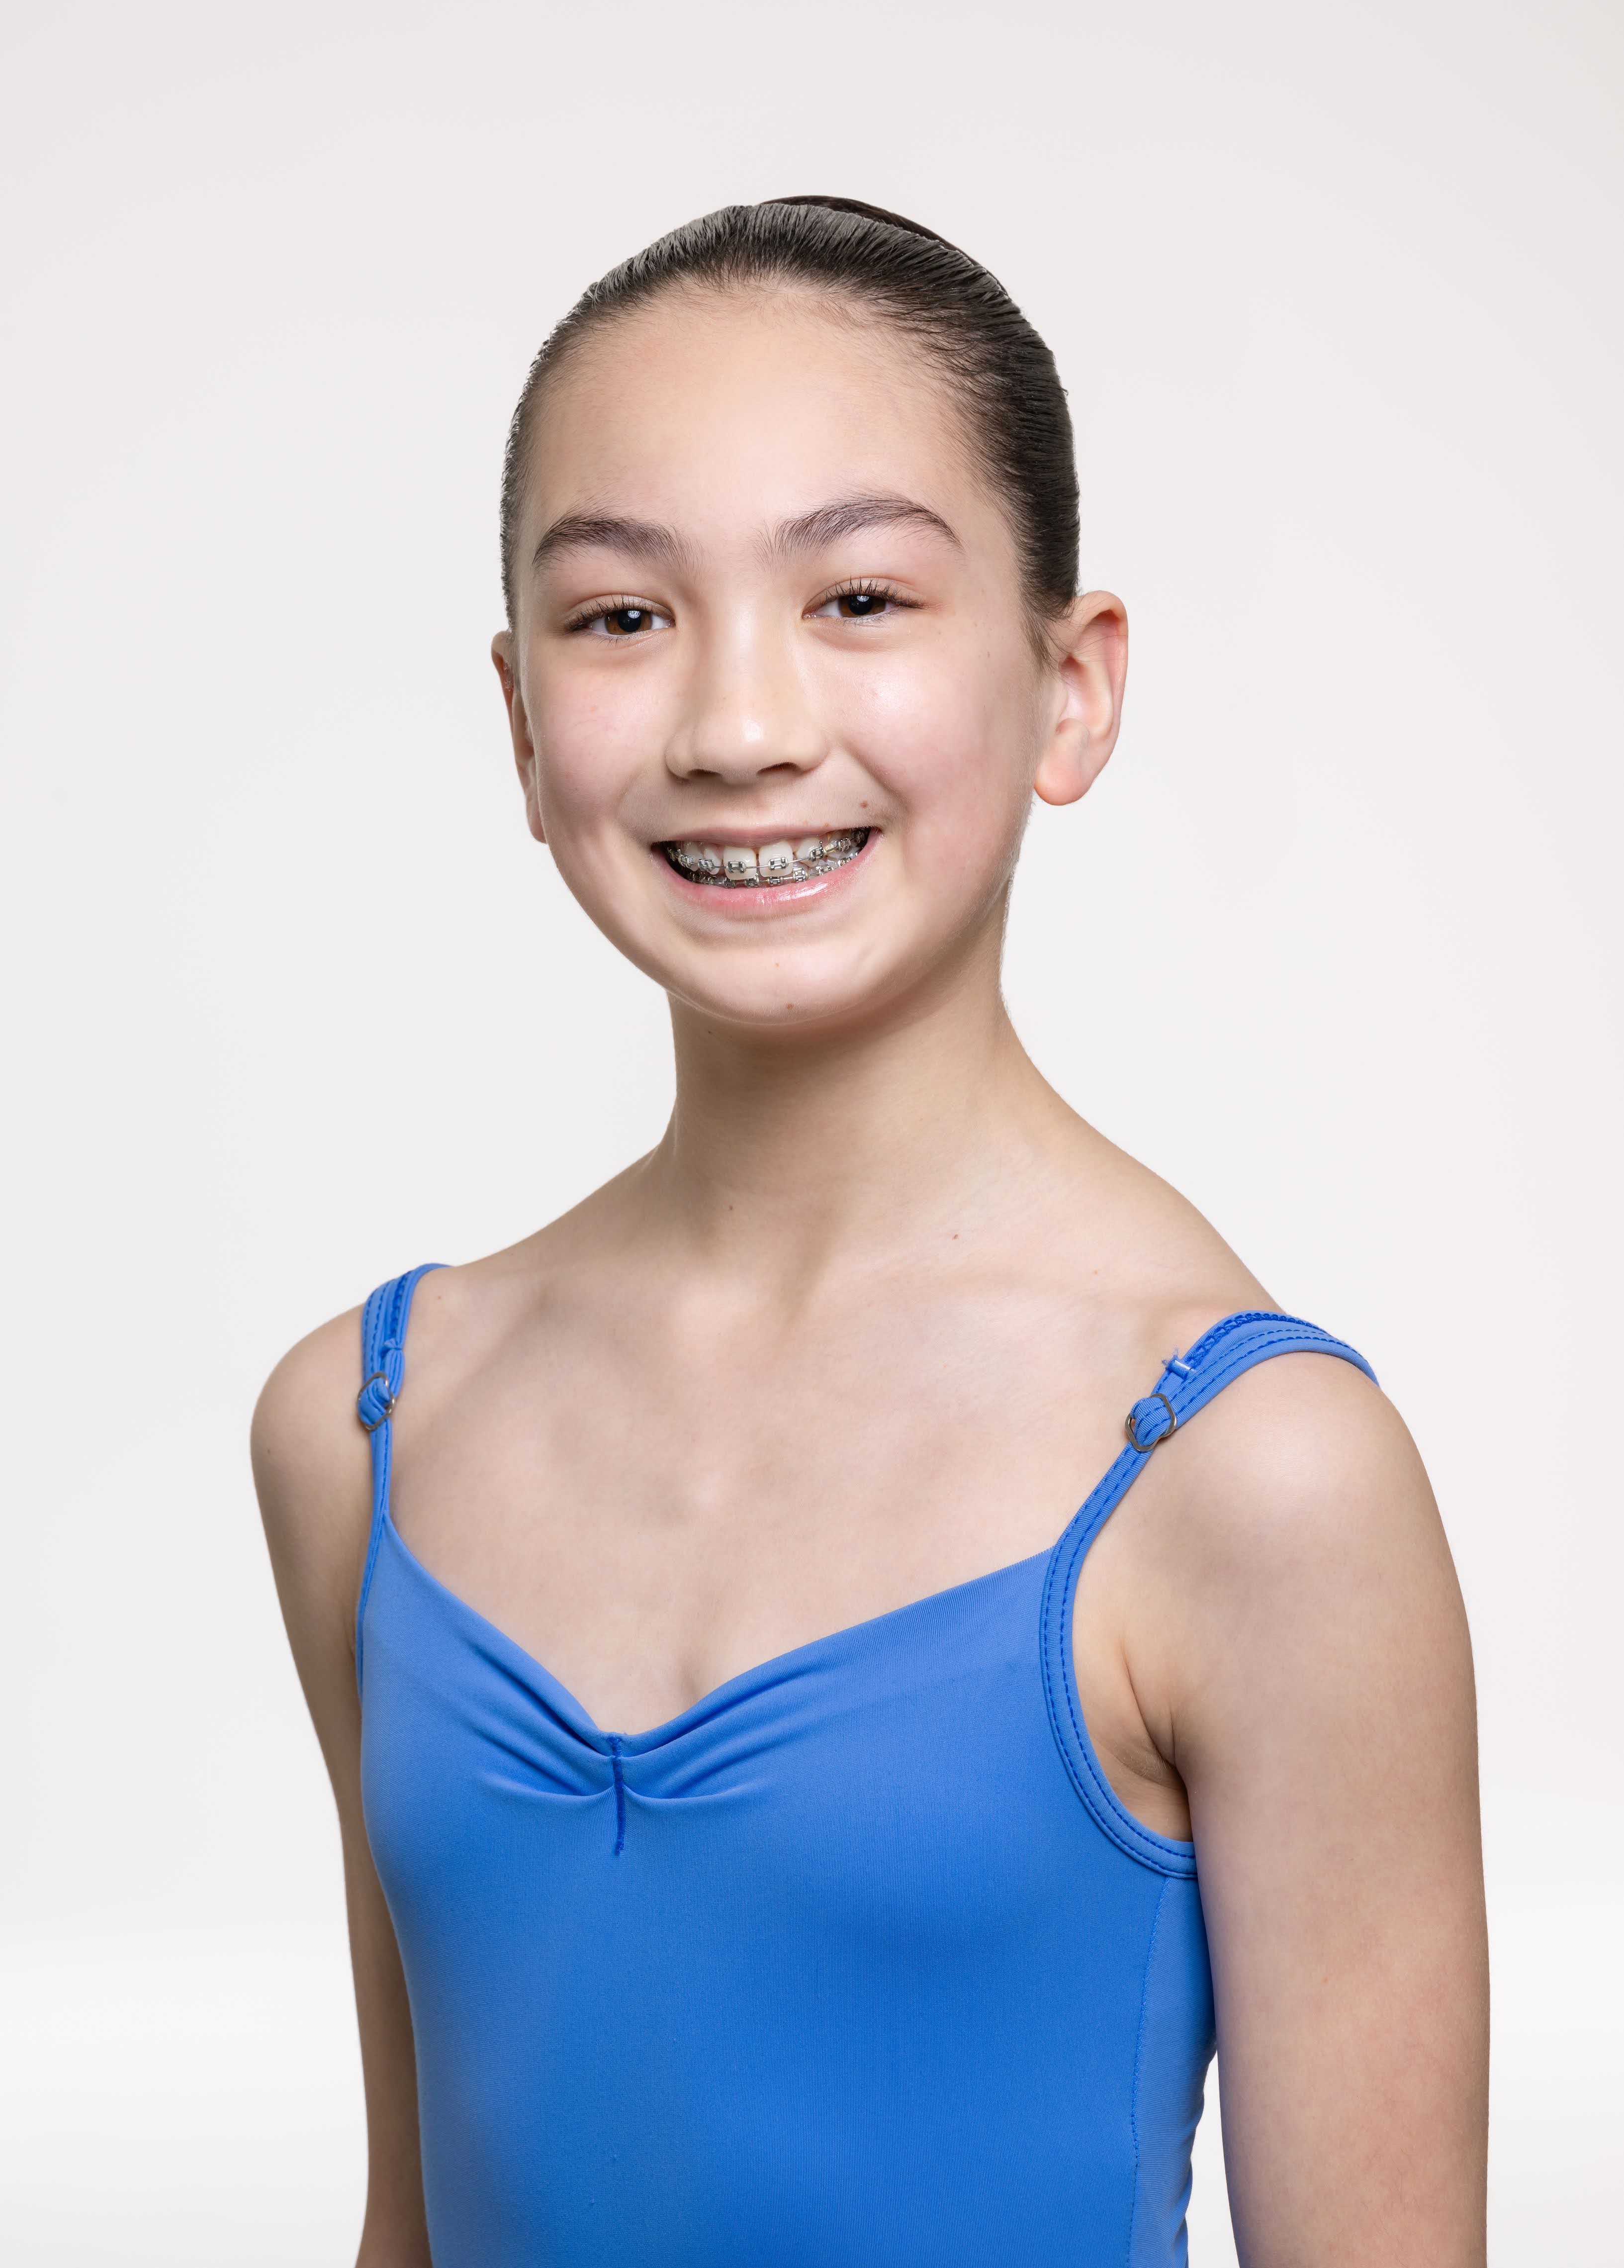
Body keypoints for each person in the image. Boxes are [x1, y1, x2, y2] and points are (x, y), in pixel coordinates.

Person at [252, 198, 1488, 2268]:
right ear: (520, 721)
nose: (738, 724)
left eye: (857, 596)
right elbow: (416, 2220)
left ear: (1069, 686)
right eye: (621, 615)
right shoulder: (360, 1428)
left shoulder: (1254, 1479)